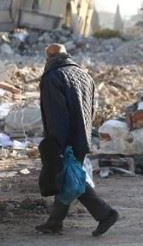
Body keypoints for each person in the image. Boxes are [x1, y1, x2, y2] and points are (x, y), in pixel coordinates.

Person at [36, 43, 118, 236]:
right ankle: (54, 223)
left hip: (64, 140)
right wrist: (84, 135)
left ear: (48, 58)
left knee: (72, 180)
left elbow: (57, 114)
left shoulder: (52, 77)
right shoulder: (84, 75)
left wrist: (56, 145)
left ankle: (106, 214)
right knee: (68, 178)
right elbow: (92, 110)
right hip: (82, 137)